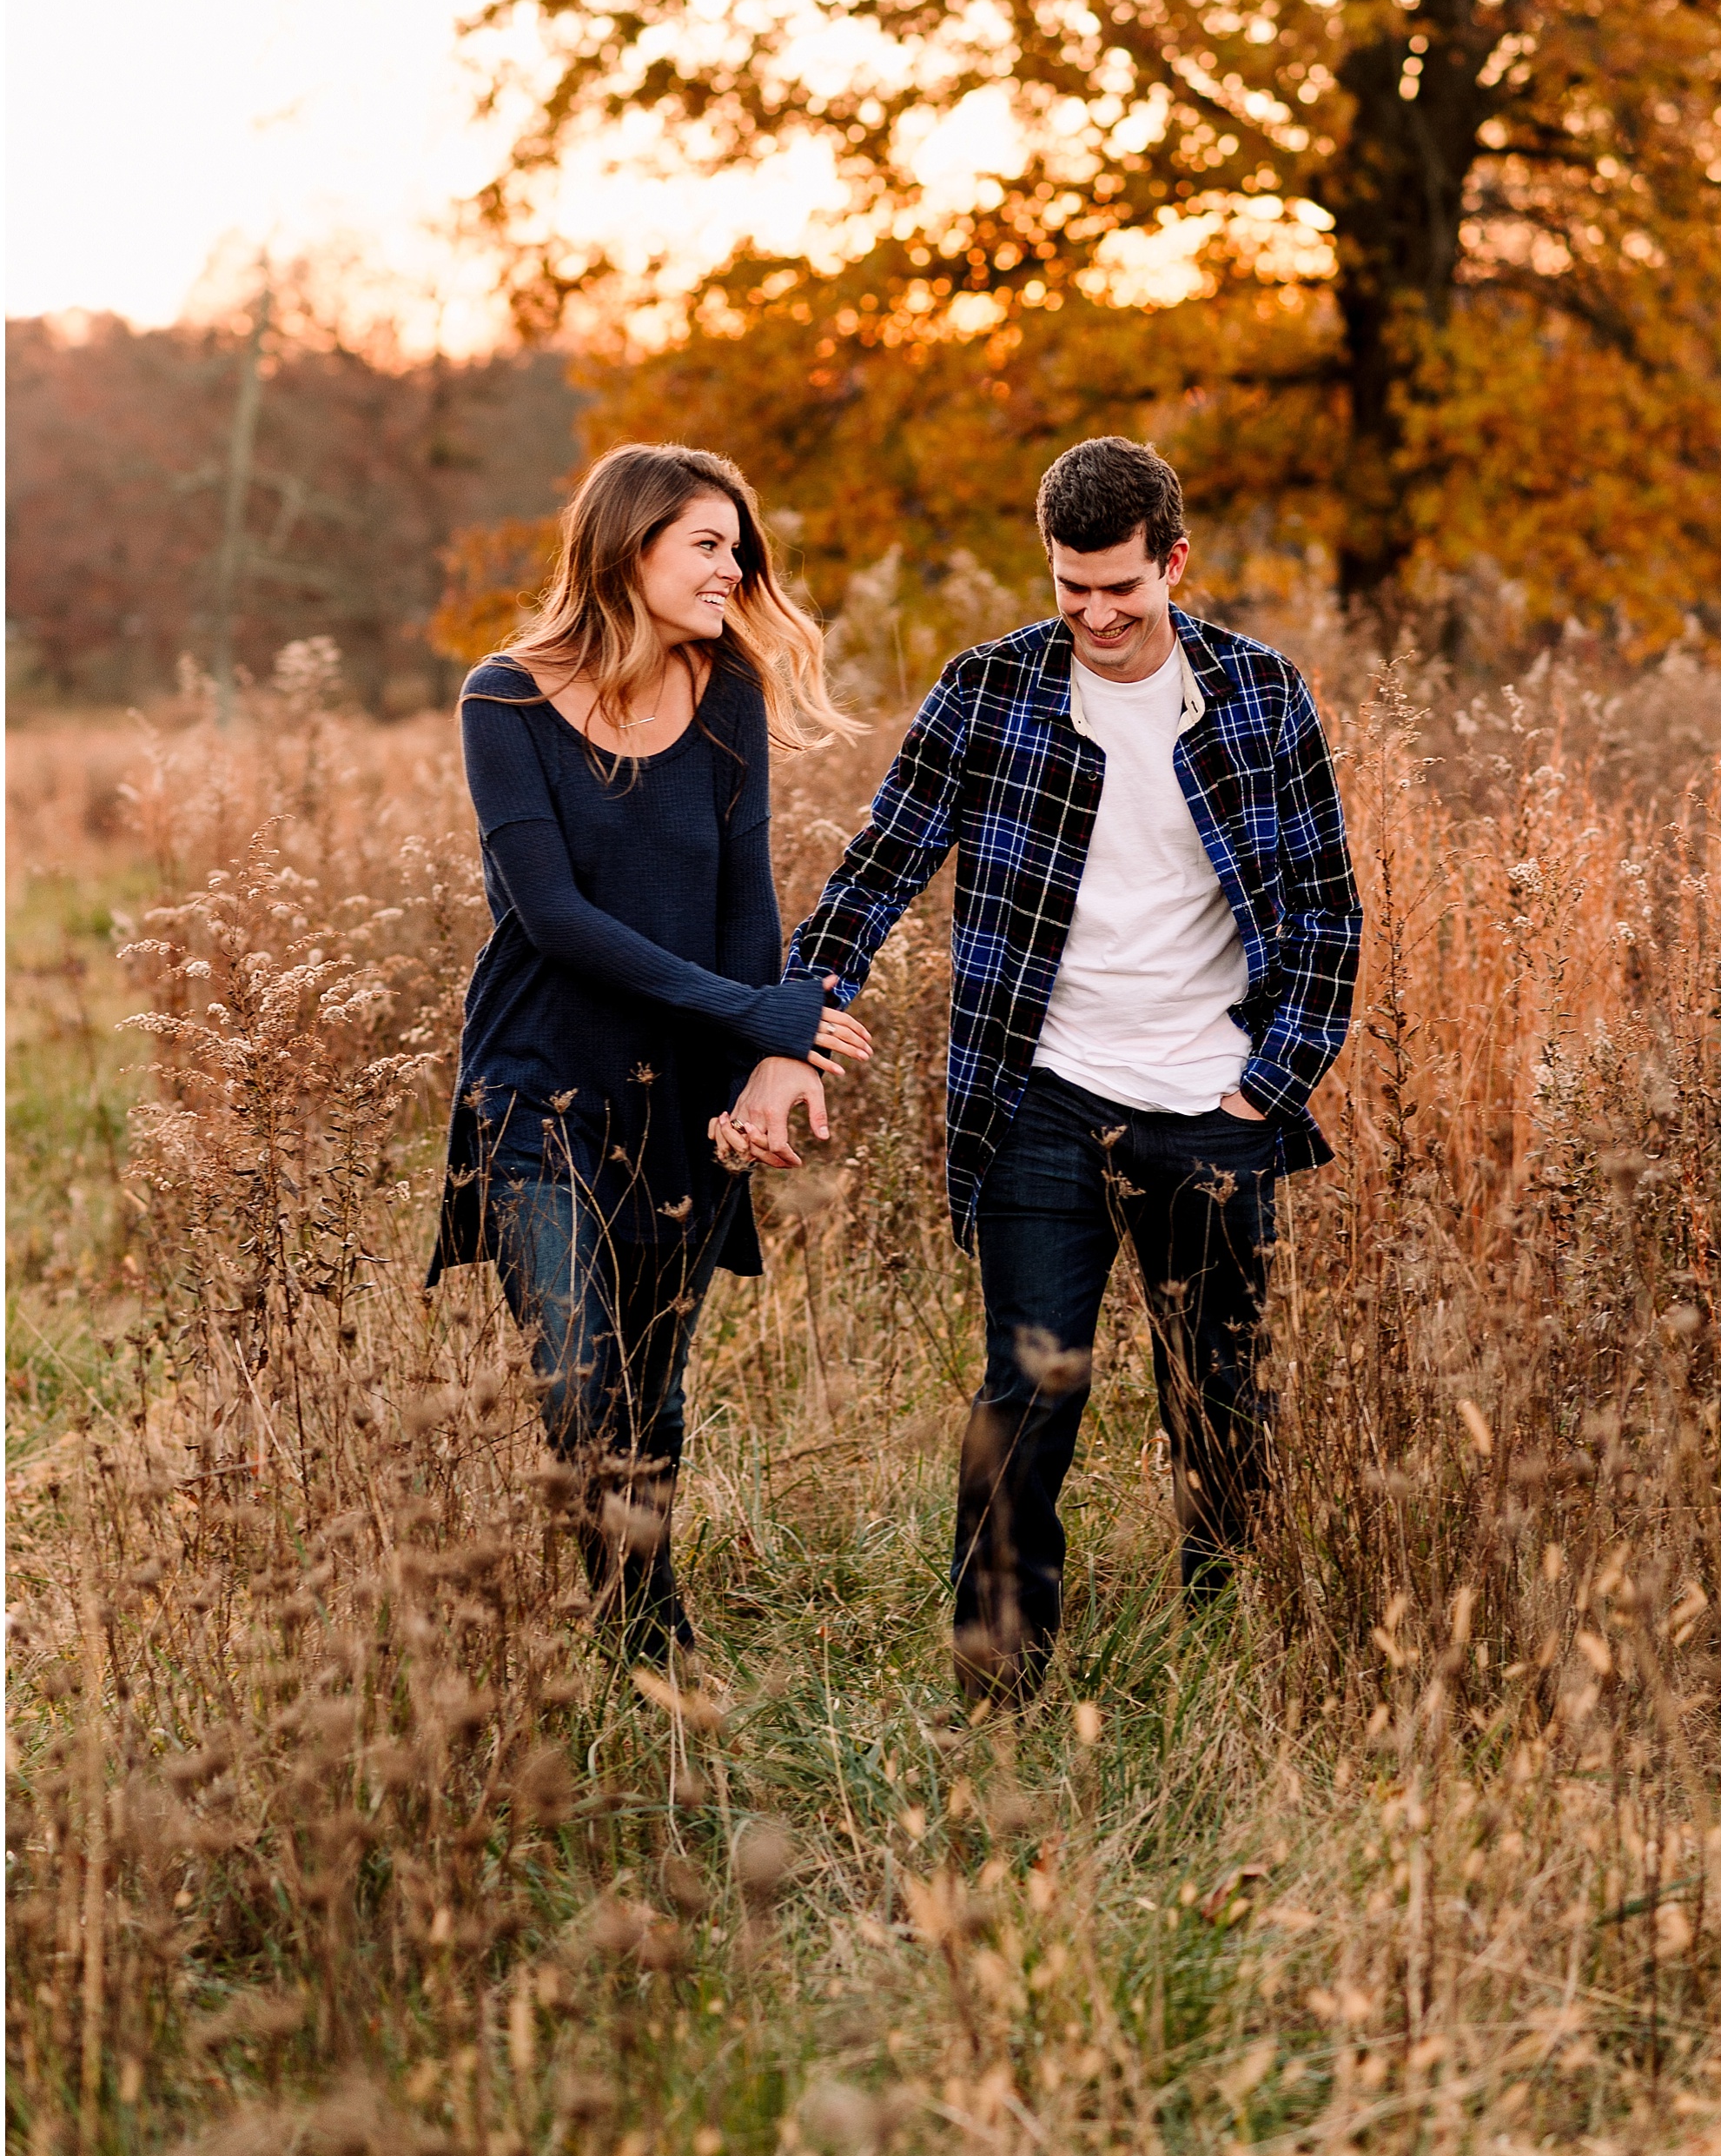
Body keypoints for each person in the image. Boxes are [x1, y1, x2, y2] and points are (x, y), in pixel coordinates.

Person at [718, 438, 1360, 1700]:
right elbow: (880, 865)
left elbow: (1329, 912)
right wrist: (794, 1024)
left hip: (1214, 1106)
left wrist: (1267, 1084)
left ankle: (1223, 1638)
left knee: (1219, 1387)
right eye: (1074, 588)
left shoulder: (1261, 694)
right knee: (1028, 1390)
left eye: (1123, 587)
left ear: (1173, 560)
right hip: (1041, 1097)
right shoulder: (989, 691)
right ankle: (998, 1677)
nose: (1099, 614)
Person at [428, 443, 869, 1658]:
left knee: (655, 1391)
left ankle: (637, 1623)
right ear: (628, 547)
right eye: (708, 544)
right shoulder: (503, 697)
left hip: (676, 1086)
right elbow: (550, 913)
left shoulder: (726, 694)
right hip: (538, 1076)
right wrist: (753, 1013)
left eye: (742, 548)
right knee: (579, 1379)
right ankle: (641, 1618)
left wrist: (751, 1078)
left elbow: (745, 906)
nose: (737, 568)